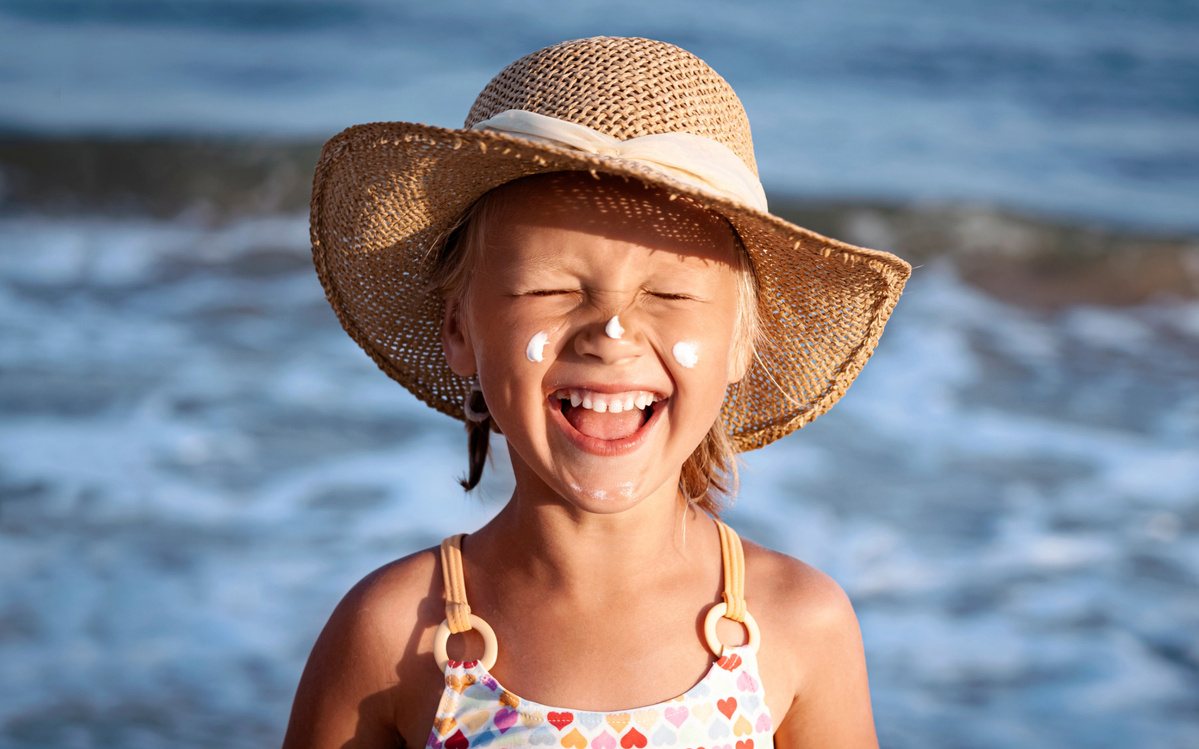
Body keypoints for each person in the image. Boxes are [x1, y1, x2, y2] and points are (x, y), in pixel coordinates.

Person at [285, 36, 909, 749]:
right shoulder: (397, 633)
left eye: (669, 292)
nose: (609, 334)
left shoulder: (795, 624)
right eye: (551, 288)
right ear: (458, 327)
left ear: (739, 341)